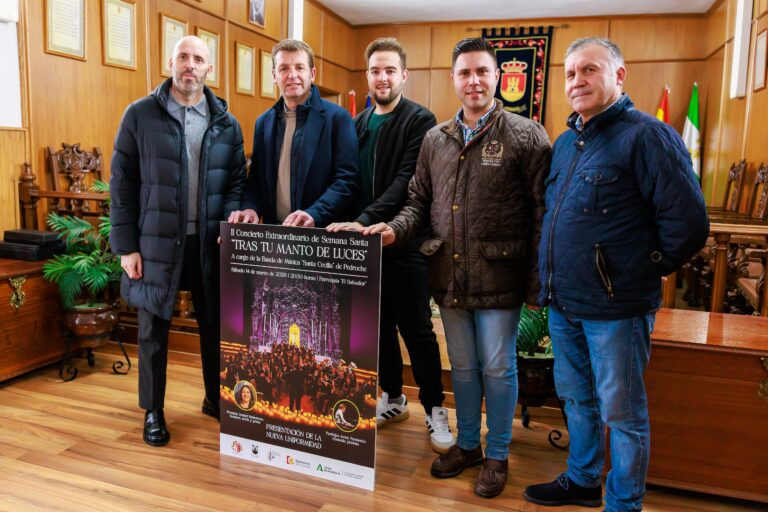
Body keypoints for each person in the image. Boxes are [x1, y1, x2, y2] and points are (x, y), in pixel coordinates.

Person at [523, 38, 709, 511]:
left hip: (617, 310)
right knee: (576, 400)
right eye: (569, 74)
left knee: (622, 414)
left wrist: (638, 272)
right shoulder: (565, 143)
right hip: (566, 305)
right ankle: (583, 480)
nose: (577, 81)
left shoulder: (648, 136)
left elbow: (688, 225)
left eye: (589, 70)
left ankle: (623, 504)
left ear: (619, 76)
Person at [365, 37, 551, 498]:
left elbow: (542, 213)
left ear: (498, 78)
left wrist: (535, 283)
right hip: (449, 276)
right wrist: (392, 230)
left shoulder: (527, 135)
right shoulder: (436, 139)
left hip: (501, 278)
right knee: (464, 369)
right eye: (465, 73)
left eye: (482, 72)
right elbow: (417, 203)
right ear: (453, 80)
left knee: (498, 368)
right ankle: (468, 445)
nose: (473, 81)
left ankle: (498, 453)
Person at [110, 35, 246, 447]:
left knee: (214, 326)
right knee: (153, 329)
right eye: (183, 57)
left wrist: (232, 220)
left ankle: (214, 398)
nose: (190, 65)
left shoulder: (226, 121)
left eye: (198, 59)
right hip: (155, 242)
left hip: (209, 243)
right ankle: (153, 410)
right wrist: (126, 246)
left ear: (210, 69)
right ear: (170, 61)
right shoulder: (140, 115)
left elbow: (237, 180)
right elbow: (122, 184)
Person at [326, 37, 454, 454]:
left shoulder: (421, 120)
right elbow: (347, 181)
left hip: (404, 242)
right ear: (367, 76)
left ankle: (435, 406)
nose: (382, 77)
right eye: (375, 70)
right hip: (362, 248)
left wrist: (364, 221)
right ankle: (393, 398)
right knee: (377, 328)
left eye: (389, 70)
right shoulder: (357, 123)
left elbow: (405, 184)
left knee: (416, 330)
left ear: (403, 75)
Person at [228, 39, 358, 227]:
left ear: (312, 73)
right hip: (277, 235)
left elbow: (347, 180)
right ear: (274, 75)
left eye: (299, 68)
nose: (292, 75)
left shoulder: (338, 118)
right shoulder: (264, 123)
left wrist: (314, 214)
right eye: (284, 69)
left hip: (322, 234)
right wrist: (250, 208)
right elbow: (256, 180)